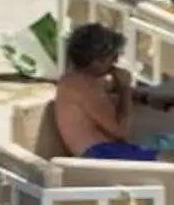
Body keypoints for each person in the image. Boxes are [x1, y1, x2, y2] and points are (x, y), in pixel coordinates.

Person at [54, 23, 171, 159]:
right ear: (96, 60)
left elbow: (110, 90)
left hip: (109, 149)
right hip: (100, 153)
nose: (115, 63)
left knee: (167, 141)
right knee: (168, 155)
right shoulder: (86, 88)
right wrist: (125, 88)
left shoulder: (76, 80)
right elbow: (122, 131)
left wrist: (146, 98)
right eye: (113, 57)